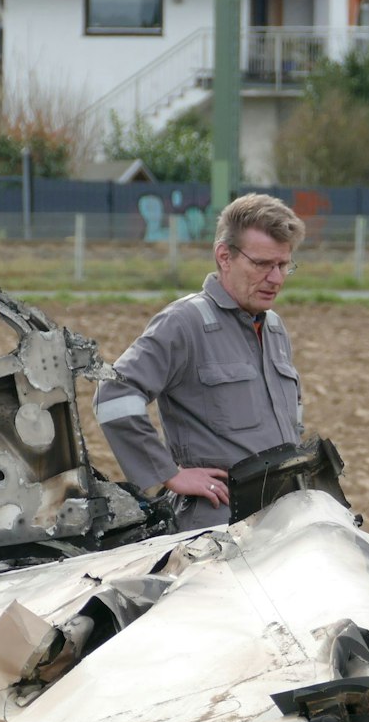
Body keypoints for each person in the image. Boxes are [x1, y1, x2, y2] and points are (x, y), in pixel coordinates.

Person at [95, 194, 306, 531]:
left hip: (283, 518)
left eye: (283, 265)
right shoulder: (184, 323)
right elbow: (114, 395)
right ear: (225, 256)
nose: (276, 279)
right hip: (218, 527)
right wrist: (168, 474)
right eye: (263, 264)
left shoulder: (274, 327)